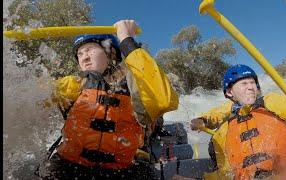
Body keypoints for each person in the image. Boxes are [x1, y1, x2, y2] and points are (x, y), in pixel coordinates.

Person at [36, 19, 179, 179]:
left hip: (122, 171)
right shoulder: (73, 84)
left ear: (110, 53)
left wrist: (127, 41)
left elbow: (164, 100)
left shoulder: (134, 84)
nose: (84, 58)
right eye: (80, 54)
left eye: (89, 50)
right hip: (69, 167)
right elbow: (30, 99)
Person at [190, 64, 286, 180]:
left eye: (253, 83)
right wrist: (202, 119)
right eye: (244, 84)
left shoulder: (274, 102)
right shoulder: (224, 132)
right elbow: (225, 173)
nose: (250, 87)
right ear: (229, 92)